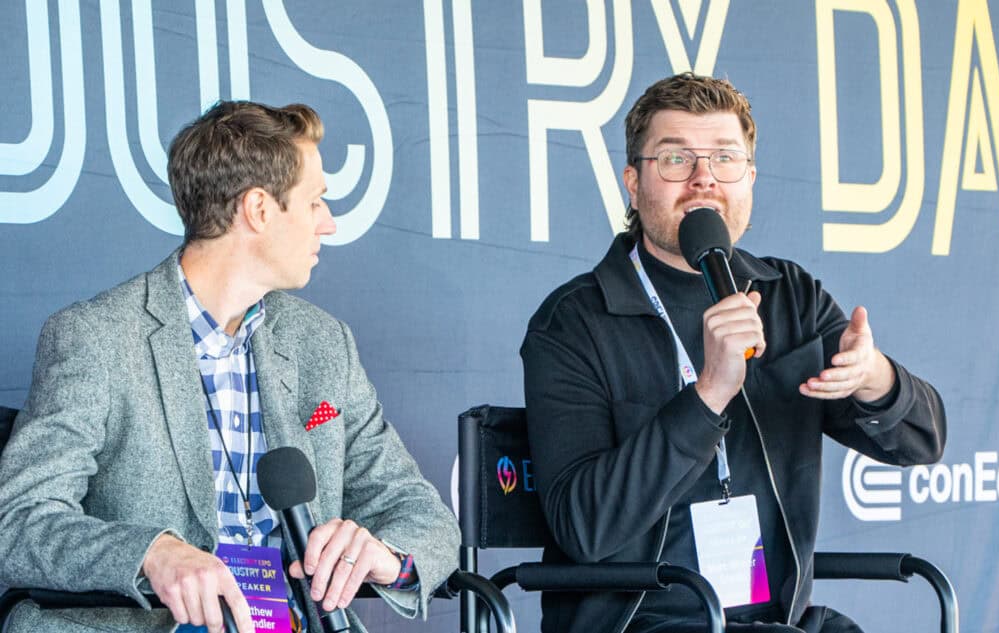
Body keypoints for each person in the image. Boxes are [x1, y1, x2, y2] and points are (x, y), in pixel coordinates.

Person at [0, 101, 460, 633]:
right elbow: (18, 522)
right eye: (315, 203)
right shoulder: (96, 339)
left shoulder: (323, 344)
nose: (329, 224)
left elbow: (421, 513)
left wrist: (387, 554)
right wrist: (151, 554)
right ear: (259, 209)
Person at [521, 73, 946, 633]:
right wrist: (708, 393)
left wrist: (874, 378)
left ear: (749, 177)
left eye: (725, 158)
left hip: (777, 619)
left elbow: (923, 440)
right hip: (639, 621)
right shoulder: (573, 323)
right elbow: (584, 526)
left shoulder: (791, 297)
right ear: (633, 181)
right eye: (676, 159)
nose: (703, 180)